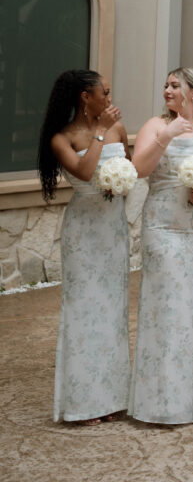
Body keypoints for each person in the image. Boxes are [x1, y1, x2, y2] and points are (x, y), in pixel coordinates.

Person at [128, 67, 193, 425]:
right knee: (168, 309)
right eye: (166, 85)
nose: (167, 90)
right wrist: (167, 135)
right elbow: (138, 169)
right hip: (165, 227)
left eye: (175, 85)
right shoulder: (155, 126)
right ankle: (164, 400)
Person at [37, 69, 130, 425]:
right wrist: (101, 133)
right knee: (85, 312)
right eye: (103, 93)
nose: (109, 99)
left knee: (113, 312)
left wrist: (124, 182)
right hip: (85, 232)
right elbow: (87, 172)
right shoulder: (62, 138)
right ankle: (83, 402)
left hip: (114, 227)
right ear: (84, 98)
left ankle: (111, 398)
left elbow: (129, 169)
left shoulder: (119, 129)